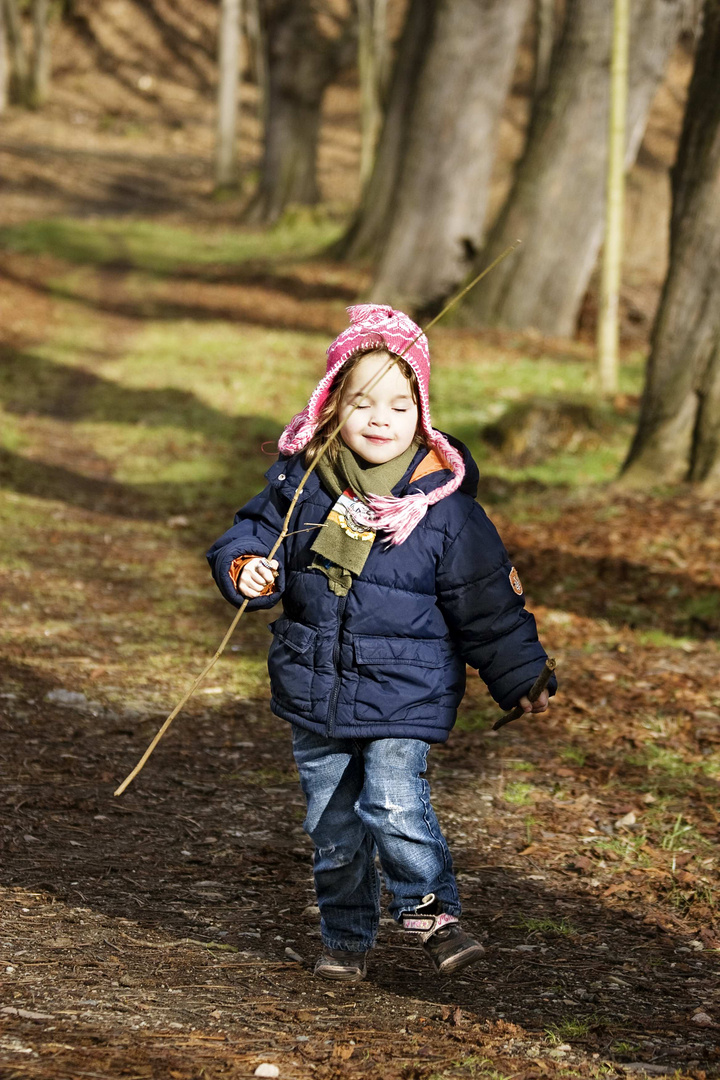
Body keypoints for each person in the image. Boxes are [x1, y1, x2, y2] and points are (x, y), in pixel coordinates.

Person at [207, 305, 555, 982]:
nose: (379, 418)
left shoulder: (442, 510)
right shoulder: (302, 483)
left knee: (393, 802)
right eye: (361, 401)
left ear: (420, 415)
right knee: (334, 833)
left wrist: (521, 671)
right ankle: (345, 937)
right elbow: (246, 534)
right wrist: (245, 567)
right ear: (331, 404)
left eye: (399, 404)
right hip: (315, 684)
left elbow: (485, 599)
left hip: (406, 685)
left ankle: (431, 909)